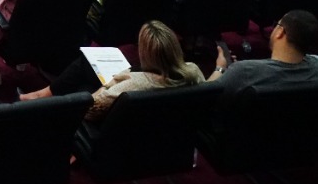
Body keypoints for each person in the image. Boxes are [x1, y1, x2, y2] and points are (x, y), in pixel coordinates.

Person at [22, 21, 204, 121]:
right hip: (161, 123)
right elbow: (209, 88)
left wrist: (110, 84)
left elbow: (90, 110)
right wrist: (218, 67)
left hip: (119, 124)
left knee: (83, 86)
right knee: (86, 63)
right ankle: (43, 94)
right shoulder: (193, 71)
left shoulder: (133, 83)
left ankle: (43, 99)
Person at [208, 9, 318, 93]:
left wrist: (220, 68)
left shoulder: (243, 72)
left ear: (280, 32)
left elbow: (204, 97)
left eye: (277, 24)